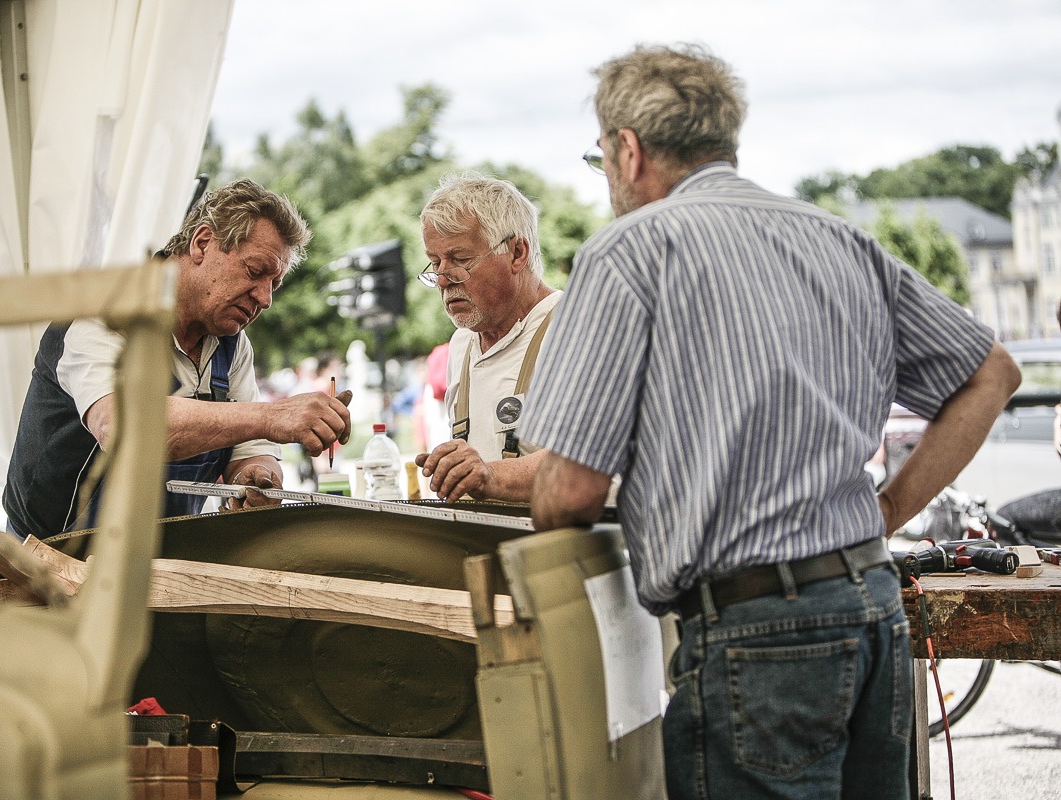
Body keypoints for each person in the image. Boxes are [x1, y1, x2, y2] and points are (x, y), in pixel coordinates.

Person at [521, 44, 1021, 799]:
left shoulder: (629, 251)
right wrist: (885, 510)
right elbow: (992, 374)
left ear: (628, 150)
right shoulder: (837, 237)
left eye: (601, 159)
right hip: (871, 601)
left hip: (754, 632)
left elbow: (568, 495)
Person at [3, 179, 352, 537]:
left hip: (160, 551)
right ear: (202, 243)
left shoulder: (232, 344)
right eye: (255, 271)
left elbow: (250, 449)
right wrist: (273, 416)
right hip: (50, 552)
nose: (265, 299)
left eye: (273, 285)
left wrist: (256, 476)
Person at [413, 173, 560, 503]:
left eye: (461, 260)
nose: (442, 279)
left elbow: (591, 462)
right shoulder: (461, 345)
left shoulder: (574, 328)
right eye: (435, 262)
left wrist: (492, 476)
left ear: (517, 253)